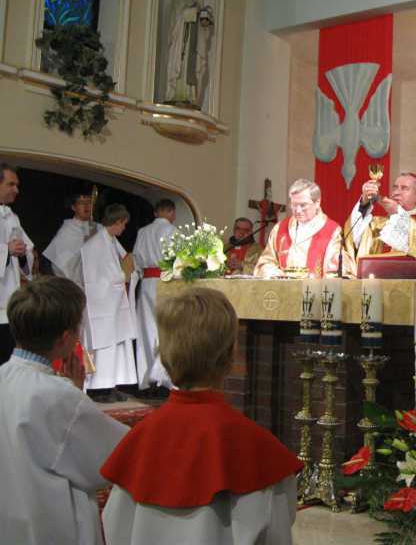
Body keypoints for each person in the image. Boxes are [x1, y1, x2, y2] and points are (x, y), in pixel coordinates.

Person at [101, 288, 303, 545]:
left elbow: (114, 528)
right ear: (231, 354)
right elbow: (276, 532)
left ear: (164, 355)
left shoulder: (140, 440)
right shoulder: (256, 447)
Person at [0, 276, 128, 545]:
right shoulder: (58, 395)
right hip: (48, 525)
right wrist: (75, 396)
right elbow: (113, 457)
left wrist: (72, 392)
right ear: (65, 338)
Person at [81, 204, 138, 401]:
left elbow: (123, 264)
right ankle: (99, 388)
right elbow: (98, 277)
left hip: (113, 302)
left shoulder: (111, 241)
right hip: (102, 304)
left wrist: (129, 272)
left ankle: (111, 384)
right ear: (117, 221)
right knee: (104, 345)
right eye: (123, 224)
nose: (124, 228)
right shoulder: (96, 244)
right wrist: (124, 274)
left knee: (118, 344)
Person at [254, 178, 353, 278]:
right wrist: (272, 272)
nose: (298, 210)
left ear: (317, 203)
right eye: (294, 205)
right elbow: (265, 262)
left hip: (315, 287)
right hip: (282, 287)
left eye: (303, 205)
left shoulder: (331, 231)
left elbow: (338, 270)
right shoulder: (280, 229)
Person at [344, 172, 416, 262]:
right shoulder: (378, 223)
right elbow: (353, 238)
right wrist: (364, 203)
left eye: (404, 188)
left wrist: (398, 212)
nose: (396, 192)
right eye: (395, 187)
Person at [132, 198, 177, 391]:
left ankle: (146, 379)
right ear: (172, 213)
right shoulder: (173, 232)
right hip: (167, 282)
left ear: (155, 212)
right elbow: (180, 261)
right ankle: (163, 378)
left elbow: (136, 259)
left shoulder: (143, 232)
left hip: (147, 283)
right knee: (166, 329)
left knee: (147, 330)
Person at [164, 0, 214, 109]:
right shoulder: (178, 1)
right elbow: (174, 23)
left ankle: (191, 96)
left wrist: (205, 24)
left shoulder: (200, 4)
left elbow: (204, 33)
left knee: (193, 68)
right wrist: (188, 14)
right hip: (181, 45)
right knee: (181, 67)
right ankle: (176, 95)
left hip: (194, 46)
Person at [0, 162, 34, 365]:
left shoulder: (12, 217)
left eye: (17, 185)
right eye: (11, 184)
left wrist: (22, 254)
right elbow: (9, 248)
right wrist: (6, 250)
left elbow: (27, 252)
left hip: (9, 304)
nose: (16, 190)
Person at [42, 190, 96, 283]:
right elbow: (58, 264)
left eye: (89, 202)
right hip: (74, 283)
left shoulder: (99, 228)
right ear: (73, 207)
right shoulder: (66, 231)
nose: (86, 206)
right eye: (81, 203)